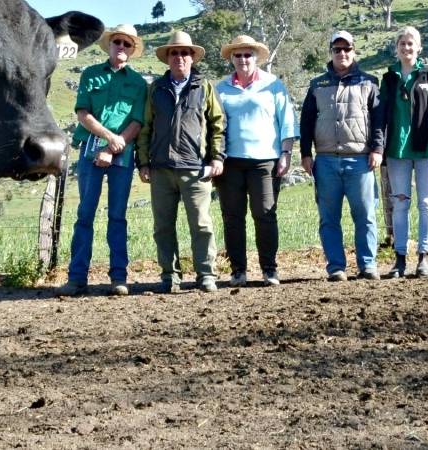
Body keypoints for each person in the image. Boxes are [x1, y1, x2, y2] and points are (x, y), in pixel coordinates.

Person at [57, 24, 147, 296]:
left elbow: (137, 121)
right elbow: (83, 113)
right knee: (85, 214)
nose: (121, 47)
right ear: (109, 45)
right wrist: (109, 137)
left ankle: (119, 277)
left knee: (117, 216)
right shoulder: (90, 74)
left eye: (126, 44)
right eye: (117, 42)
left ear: (132, 50)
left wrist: (116, 146)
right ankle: (76, 278)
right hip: (91, 152)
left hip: (123, 154)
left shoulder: (139, 83)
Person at [136, 31, 224, 293]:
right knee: (163, 226)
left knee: (201, 225)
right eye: (174, 52)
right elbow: (145, 128)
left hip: (195, 170)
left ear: (192, 57)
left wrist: (216, 158)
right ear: (168, 58)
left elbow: (217, 125)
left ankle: (206, 274)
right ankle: (169, 276)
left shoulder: (204, 87)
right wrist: (143, 162)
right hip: (161, 169)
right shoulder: (155, 89)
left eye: (184, 52)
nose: (179, 57)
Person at [299, 30, 385, 282]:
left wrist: (378, 149)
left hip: (360, 159)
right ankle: (336, 267)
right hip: (325, 161)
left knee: (366, 216)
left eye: (346, 49)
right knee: (328, 219)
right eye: (337, 50)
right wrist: (306, 153)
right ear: (331, 53)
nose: (342, 54)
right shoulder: (318, 85)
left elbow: (379, 120)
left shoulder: (369, 82)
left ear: (354, 51)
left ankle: (367, 265)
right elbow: (306, 121)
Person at [214, 35, 298, 287]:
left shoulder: (273, 85)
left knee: (264, 214)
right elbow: (215, 126)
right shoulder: (221, 89)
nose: (243, 59)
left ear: (256, 58)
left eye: (247, 55)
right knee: (232, 217)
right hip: (230, 163)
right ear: (231, 59)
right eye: (237, 55)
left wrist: (286, 153)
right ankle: (238, 271)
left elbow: (287, 123)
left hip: (265, 162)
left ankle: (269, 269)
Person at [381, 26, 428, 278]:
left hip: (426, 149)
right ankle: (399, 259)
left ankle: (423, 258)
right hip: (397, 150)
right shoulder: (388, 78)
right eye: (402, 43)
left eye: (411, 43)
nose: (406, 48)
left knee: (426, 202)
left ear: (419, 47)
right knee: (400, 203)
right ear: (396, 47)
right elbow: (382, 114)